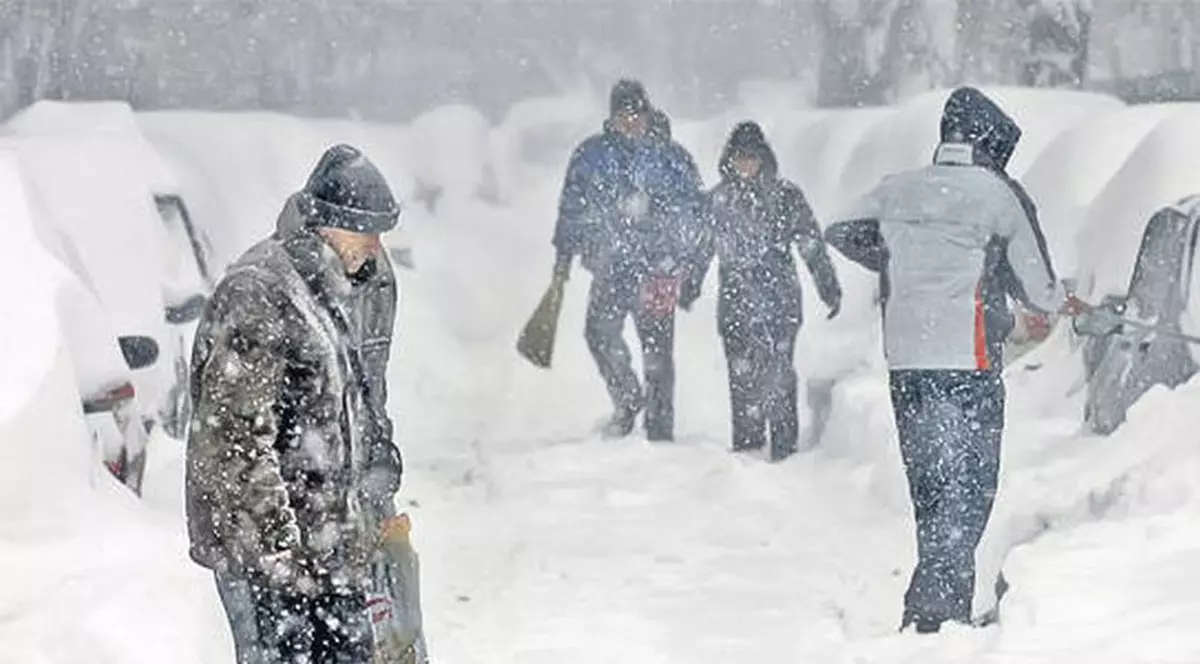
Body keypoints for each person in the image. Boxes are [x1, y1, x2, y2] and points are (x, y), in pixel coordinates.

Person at [824, 87, 1089, 634]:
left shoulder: (897, 190)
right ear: (991, 143)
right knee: (968, 485)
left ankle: (938, 604)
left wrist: (904, 261)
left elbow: (843, 231)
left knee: (929, 482)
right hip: (965, 361)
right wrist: (1043, 294)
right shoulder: (997, 195)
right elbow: (1039, 291)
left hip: (906, 362)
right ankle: (933, 614)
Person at [185, 143, 404, 663]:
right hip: (267, 556)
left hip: (331, 549)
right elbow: (233, 436)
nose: (375, 247)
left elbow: (360, 400)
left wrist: (376, 490)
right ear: (327, 224)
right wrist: (278, 551)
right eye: (365, 232)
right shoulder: (260, 292)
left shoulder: (345, 286)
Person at [551, 79, 703, 441]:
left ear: (648, 114)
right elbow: (572, 206)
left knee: (658, 353)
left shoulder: (672, 157)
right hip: (611, 266)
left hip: (658, 272)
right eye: (623, 115)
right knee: (599, 334)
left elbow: (694, 211)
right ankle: (627, 396)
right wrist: (564, 254)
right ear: (612, 117)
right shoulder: (592, 155)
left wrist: (679, 258)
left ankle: (660, 428)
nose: (630, 122)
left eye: (636, 114)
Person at [680, 121, 842, 461]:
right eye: (740, 158)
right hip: (736, 303)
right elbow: (700, 250)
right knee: (742, 378)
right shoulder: (718, 201)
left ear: (763, 159)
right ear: (729, 160)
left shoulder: (786, 196)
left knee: (779, 373)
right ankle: (748, 446)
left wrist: (828, 286)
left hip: (779, 301)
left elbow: (811, 244)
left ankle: (785, 446)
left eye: (752, 158)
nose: (746, 165)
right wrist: (689, 286)